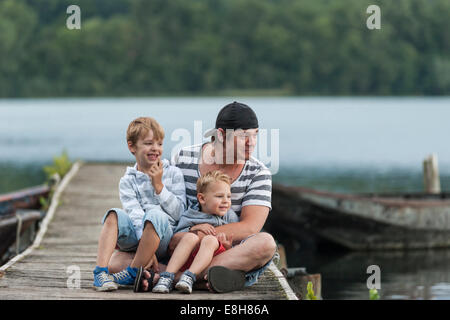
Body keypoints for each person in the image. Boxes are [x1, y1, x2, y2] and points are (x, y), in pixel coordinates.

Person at [167, 101, 277, 293]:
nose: (252, 142)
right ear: (221, 135)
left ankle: (173, 277)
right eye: (243, 136)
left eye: (255, 135)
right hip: (182, 244)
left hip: (225, 250)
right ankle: (206, 277)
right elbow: (168, 209)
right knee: (118, 262)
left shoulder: (259, 173)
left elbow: (250, 227)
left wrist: (204, 236)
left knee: (266, 244)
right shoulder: (183, 157)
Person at [92, 117, 186, 292]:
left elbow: (179, 213)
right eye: (149, 143)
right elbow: (134, 214)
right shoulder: (127, 181)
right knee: (113, 214)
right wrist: (145, 247)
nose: (155, 149)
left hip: (164, 236)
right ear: (132, 147)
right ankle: (100, 273)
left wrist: (159, 186)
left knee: (154, 214)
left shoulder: (173, 173)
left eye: (159, 143)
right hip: (138, 236)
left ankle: (134, 270)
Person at [152, 170, 239, 294]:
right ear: (202, 198)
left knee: (210, 239)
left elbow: (236, 248)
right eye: (219, 196)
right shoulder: (190, 215)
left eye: (228, 196)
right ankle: (167, 277)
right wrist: (194, 228)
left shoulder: (230, 217)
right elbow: (175, 240)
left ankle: (189, 277)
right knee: (190, 237)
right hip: (187, 258)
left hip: (212, 259)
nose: (226, 201)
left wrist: (227, 246)